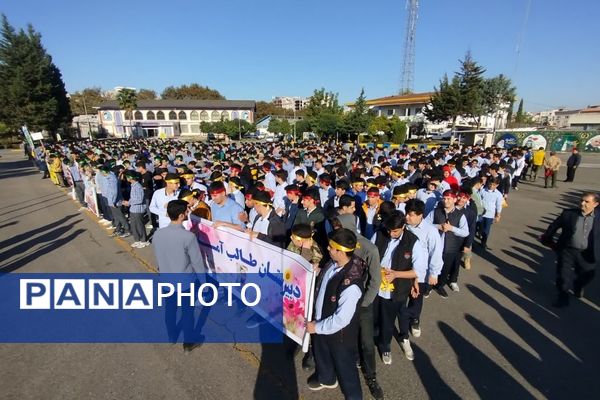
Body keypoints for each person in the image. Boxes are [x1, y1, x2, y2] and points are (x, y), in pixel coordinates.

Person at [306, 228, 366, 399]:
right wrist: (317, 272)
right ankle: (326, 378)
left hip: (339, 335)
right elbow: (326, 281)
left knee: (346, 369)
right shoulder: (333, 263)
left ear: (341, 251)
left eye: (331, 247)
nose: (328, 249)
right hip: (321, 323)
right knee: (322, 354)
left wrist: (316, 327)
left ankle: (353, 396)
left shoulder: (351, 285)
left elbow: (341, 319)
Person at [335, 214, 384, 400]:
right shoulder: (337, 244)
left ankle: (371, 377)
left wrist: (364, 303)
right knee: (345, 337)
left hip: (362, 304)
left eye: (339, 226)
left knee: (367, 343)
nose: (336, 229)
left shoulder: (368, 248)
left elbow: (375, 279)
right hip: (342, 299)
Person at [372, 211, 426, 363]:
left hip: (396, 290)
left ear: (403, 226)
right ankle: (370, 343)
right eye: (388, 230)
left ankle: (385, 347)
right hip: (376, 286)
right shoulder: (379, 234)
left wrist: (396, 274)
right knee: (372, 318)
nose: (391, 233)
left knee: (388, 322)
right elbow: (369, 254)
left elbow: (418, 271)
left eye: (395, 231)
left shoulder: (413, 242)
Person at [152, 200, 205, 352]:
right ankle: (188, 342)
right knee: (187, 312)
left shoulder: (158, 234)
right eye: (187, 211)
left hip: (166, 279)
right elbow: (197, 262)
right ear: (181, 216)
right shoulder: (188, 237)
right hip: (185, 282)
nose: (188, 213)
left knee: (170, 309)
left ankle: (171, 336)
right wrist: (203, 282)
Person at [540, 192, 600, 308]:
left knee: (588, 275)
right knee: (563, 275)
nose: (582, 203)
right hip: (568, 250)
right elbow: (554, 226)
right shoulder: (569, 214)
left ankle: (578, 285)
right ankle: (563, 297)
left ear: (596, 204)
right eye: (581, 200)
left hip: (588, 253)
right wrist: (547, 238)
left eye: (587, 202)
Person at [427, 190, 469, 297]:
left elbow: (465, 232)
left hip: (451, 247)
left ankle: (439, 285)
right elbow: (425, 225)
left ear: (455, 200)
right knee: (431, 266)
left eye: (449, 199)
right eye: (444, 198)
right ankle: (428, 286)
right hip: (434, 246)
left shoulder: (460, 215)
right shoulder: (435, 212)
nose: (446, 201)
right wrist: (438, 226)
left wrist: (452, 228)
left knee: (445, 269)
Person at [122, 171, 149, 248]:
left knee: (139, 225)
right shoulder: (133, 185)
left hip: (138, 209)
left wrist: (129, 203)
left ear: (131, 177)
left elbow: (139, 200)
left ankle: (144, 240)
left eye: (127, 176)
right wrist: (129, 202)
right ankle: (137, 240)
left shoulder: (138, 186)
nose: (126, 178)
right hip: (133, 209)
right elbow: (133, 198)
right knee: (133, 226)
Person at [478, 177, 503, 250]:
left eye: (494, 185)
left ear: (497, 185)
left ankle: (483, 242)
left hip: (490, 214)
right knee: (480, 227)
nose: (491, 186)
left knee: (487, 229)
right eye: (490, 184)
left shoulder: (498, 194)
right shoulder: (482, 190)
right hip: (481, 213)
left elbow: (499, 205)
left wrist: (498, 215)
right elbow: (478, 200)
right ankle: (480, 233)